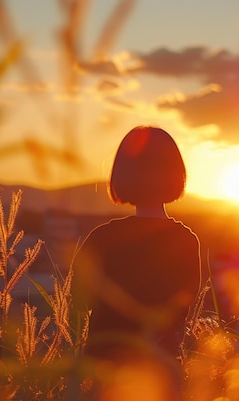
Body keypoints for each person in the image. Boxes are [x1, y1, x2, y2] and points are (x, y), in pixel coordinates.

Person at [71, 126, 202, 400]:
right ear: (176, 174)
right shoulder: (187, 241)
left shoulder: (102, 238)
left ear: (121, 175)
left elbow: (79, 301)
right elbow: (182, 313)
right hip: (160, 371)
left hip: (105, 368)